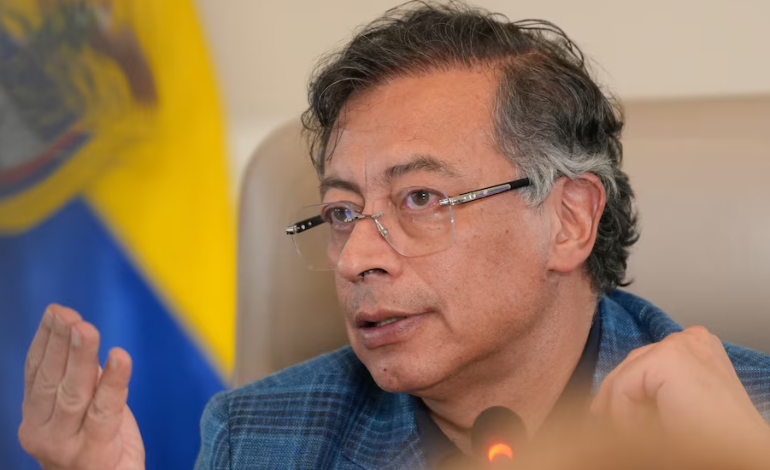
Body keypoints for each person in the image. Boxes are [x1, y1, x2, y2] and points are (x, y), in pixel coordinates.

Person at [18, 2, 770, 469]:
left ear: (569, 219)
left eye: (420, 198)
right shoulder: (262, 440)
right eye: (342, 213)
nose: (357, 258)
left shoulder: (748, 422)